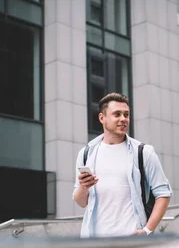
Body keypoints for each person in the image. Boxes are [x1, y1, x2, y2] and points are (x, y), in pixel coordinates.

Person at [73, 93, 172, 238]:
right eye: (117, 114)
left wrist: (147, 230)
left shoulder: (144, 152)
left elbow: (163, 193)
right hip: (95, 242)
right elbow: (81, 202)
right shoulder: (86, 153)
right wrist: (83, 187)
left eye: (126, 115)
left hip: (131, 240)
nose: (123, 119)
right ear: (102, 118)